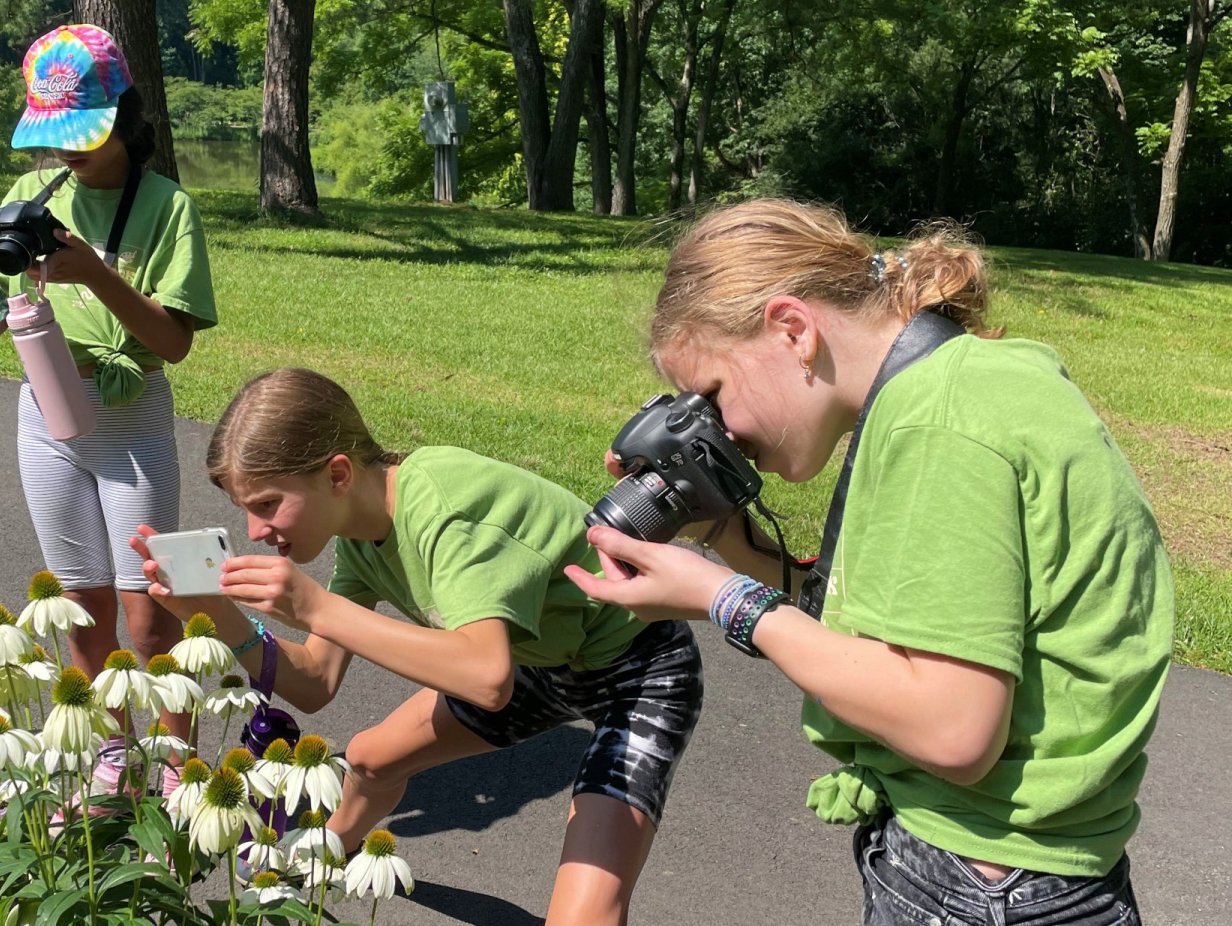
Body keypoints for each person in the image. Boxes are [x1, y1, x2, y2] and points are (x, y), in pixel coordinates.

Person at [565, 199, 1172, 924]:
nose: (721, 432)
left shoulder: (937, 426)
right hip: (1025, 869)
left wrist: (724, 599)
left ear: (793, 328)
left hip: (984, 884)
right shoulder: (963, 383)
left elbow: (952, 729)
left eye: (716, 396)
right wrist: (723, 538)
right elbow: (892, 626)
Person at [130, 367, 704, 926]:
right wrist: (219, 617)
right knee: (370, 758)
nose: (256, 531)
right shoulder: (362, 538)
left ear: (336, 475)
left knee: (584, 914)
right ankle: (328, 851)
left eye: (267, 504)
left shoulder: (443, 508)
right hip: (543, 661)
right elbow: (314, 682)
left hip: (641, 669)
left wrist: (316, 607)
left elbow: (485, 677)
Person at [0, 24, 216, 790]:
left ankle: (177, 758)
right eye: (55, 137)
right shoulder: (33, 198)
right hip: (47, 414)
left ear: (123, 118)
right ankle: (113, 751)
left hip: (131, 425)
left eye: (83, 136)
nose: (67, 153)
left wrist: (91, 273)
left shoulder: (168, 207)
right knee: (82, 603)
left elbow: (173, 343)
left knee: (149, 613)